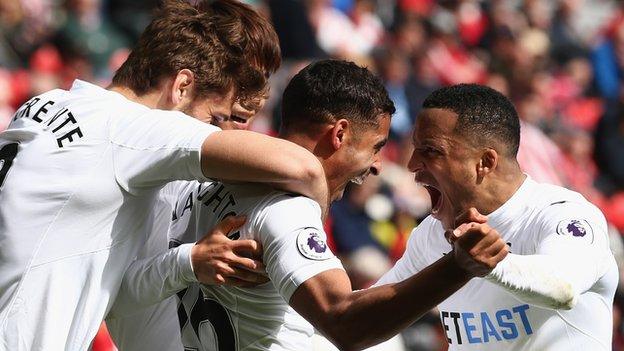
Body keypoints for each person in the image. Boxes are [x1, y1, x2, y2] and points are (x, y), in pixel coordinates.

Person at [106, 60, 509, 351]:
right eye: (375, 148)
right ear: (339, 134)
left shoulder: (202, 184)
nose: (376, 166)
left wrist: (185, 262)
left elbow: (123, 290)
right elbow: (345, 323)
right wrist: (459, 267)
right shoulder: (286, 209)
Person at [0, 1, 330, 349]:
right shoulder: (133, 129)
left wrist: (188, 261)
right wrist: (309, 225)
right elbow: (302, 167)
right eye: (215, 119)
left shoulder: (49, 102)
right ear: (182, 86)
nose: (223, 131)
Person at [375, 84, 618, 350]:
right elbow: (372, 313)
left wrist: (487, 264)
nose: (411, 165)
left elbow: (564, 286)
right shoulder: (430, 236)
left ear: (486, 162)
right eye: (415, 148)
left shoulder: (563, 213)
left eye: (431, 150)